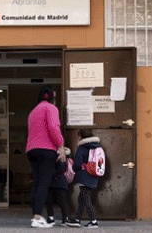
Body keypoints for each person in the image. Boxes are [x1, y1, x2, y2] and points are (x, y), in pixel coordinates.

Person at [26, 86, 65, 228]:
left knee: (36, 183)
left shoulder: (33, 111)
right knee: (44, 182)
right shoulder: (51, 108)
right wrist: (60, 144)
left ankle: (35, 215)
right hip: (46, 150)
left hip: (31, 150)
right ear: (52, 97)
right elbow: (53, 128)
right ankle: (37, 218)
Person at [67, 129, 102, 229]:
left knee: (86, 198)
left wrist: (73, 169)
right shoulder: (97, 147)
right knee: (81, 197)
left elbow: (77, 164)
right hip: (94, 175)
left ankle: (93, 221)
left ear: (81, 136)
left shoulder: (82, 148)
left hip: (84, 176)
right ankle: (77, 220)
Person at [46, 146, 72, 226]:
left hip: (58, 182)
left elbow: (60, 169)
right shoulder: (59, 156)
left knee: (60, 201)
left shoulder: (60, 156)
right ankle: (58, 218)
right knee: (52, 200)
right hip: (56, 182)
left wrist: (50, 174)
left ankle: (63, 218)